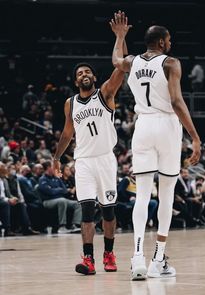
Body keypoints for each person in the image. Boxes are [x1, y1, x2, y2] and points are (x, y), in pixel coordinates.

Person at [110, 11, 201, 279]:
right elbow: (176, 101)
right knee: (167, 193)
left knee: (142, 195)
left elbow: (116, 60)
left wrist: (119, 36)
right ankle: (157, 260)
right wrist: (194, 136)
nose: (170, 43)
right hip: (166, 126)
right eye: (168, 39)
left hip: (143, 126)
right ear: (161, 42)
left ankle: (137, 256)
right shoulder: (171, 63)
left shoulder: (132, 61)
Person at [52, 14, 129, 275]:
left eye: (87, 72)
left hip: (105, 159)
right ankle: (88, 259)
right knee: (86, 210)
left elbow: (122, 67)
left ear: (94, 77)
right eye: (79, 73)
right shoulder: (70, 103)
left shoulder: (105, 93)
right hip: (83, 161)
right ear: (76, 81)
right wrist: (56, 158)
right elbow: (66, 134)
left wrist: (120, 37)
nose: (84, 74)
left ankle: (109, 253)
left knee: (108, 212)